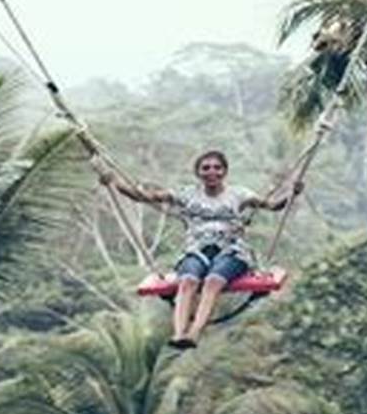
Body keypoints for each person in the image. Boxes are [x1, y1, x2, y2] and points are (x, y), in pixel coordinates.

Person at [100, 149, 301, 348]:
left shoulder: (240, 194)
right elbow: (143, 196)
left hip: (231, 251)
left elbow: (273, 205)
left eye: (217, 168)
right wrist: (114, 182)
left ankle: (194, 332)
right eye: (206, 168)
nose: (212, 172)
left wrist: (291, 193)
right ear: (198, 173)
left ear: (225, 171)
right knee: (187, 281)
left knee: (213, 281)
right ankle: (179, 333)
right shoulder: (186, 194)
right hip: (197, 249)